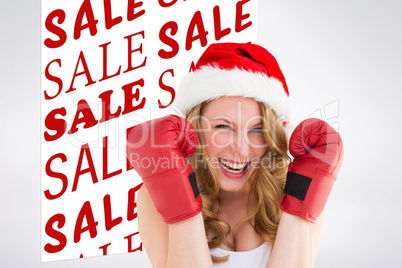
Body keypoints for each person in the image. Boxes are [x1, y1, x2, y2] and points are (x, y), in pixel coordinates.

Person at [127, 43, 343, 268]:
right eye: (223, 127)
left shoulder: (298, 187)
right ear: (194, 130)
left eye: (257, 129)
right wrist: (180, 203)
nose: (241, 149)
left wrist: (297, 203)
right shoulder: (154, 196)